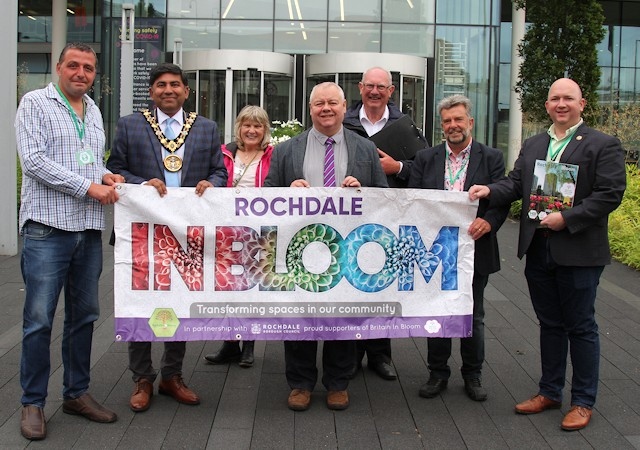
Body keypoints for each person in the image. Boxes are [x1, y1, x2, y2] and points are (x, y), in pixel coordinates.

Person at [469, 78, 626, 430]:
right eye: (554, 98)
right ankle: (550, 391)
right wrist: (488, 191)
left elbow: (609, 194)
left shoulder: (603, 144)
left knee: (581, 326)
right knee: (550, 324)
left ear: (582, 104)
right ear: (546, 105)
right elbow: (515, 183)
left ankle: (583, 401)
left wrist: (566, 218)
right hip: (539, 248)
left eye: (568, 98)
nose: (561, 104)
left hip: (579, 250)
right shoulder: (536, 142)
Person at [16, 42, 122, 441]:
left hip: (87, 232)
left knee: (84, 318)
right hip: (46, 229)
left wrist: (107, 175)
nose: (81, 73)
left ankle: (76, 393)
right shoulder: (34, 104)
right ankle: (32, 402)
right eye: (73, 65)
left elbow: (90, 161)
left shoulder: (92, 110)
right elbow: (35, 161)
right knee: (39, 320)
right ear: (59, 67)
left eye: (89, 68)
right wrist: (90, 187)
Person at [107, 62, 227, 413]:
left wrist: (213, 183)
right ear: (152, 91)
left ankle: (172, 375)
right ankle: (142, 378)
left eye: (175, 84)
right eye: (161, 85)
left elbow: (219, 169)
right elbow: (116, 168)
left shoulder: (205, 128)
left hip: (186, 234)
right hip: (143, 231)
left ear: (186, 91)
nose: (168, 90)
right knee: (139, 303)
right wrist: (142, 184)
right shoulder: (131, 125)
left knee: (181, 303)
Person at [264, 82, 388, 411]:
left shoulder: (365, 150)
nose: (326, 109)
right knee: (299, 317)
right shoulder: (286, 150)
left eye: (333, 102)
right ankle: (301, 383)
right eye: (319, 103)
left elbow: (387, 200)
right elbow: (263, 197)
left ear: (345, 107)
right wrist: (286, 193)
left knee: (342, 317)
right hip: (299, 249)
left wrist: (364, 192)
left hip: (348, 250)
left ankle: (338, 382)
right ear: (310, 109)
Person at [408, 94, 508, 402]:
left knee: (472, 313)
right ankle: (437, 373)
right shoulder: (426, 158)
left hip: (475, 248)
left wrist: (489, 222)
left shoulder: (491, 157)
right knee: (436, 310)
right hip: (436, 250)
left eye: (458, 120)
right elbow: (414, 198)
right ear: (442, 125)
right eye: (447, 121)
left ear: (470, 122)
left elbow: (500, 198)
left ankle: (472, 375)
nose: (453, 126)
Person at [343, 66, 429, 380]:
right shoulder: (345, 121)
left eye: (382, 87)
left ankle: (380, 355)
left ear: (391, 91)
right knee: (352, 284)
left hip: (389, 216)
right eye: (370, 86)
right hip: (349, 215)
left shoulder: (403, 125)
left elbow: (424, 165)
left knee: (382, 283)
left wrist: (398, 167)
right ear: (360, 88)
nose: (375, 91)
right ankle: (350, 355)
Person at [204, 105, 274, 368]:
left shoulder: (272, 156)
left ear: (265, 130)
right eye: (247, 125)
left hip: (259, 232)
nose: (252, 130)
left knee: (251, 287)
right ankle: (230, 344)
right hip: (227, 231)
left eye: (257, 126)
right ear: (239, 128)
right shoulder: (224, 154)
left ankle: (249, 345)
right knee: (227, 287)